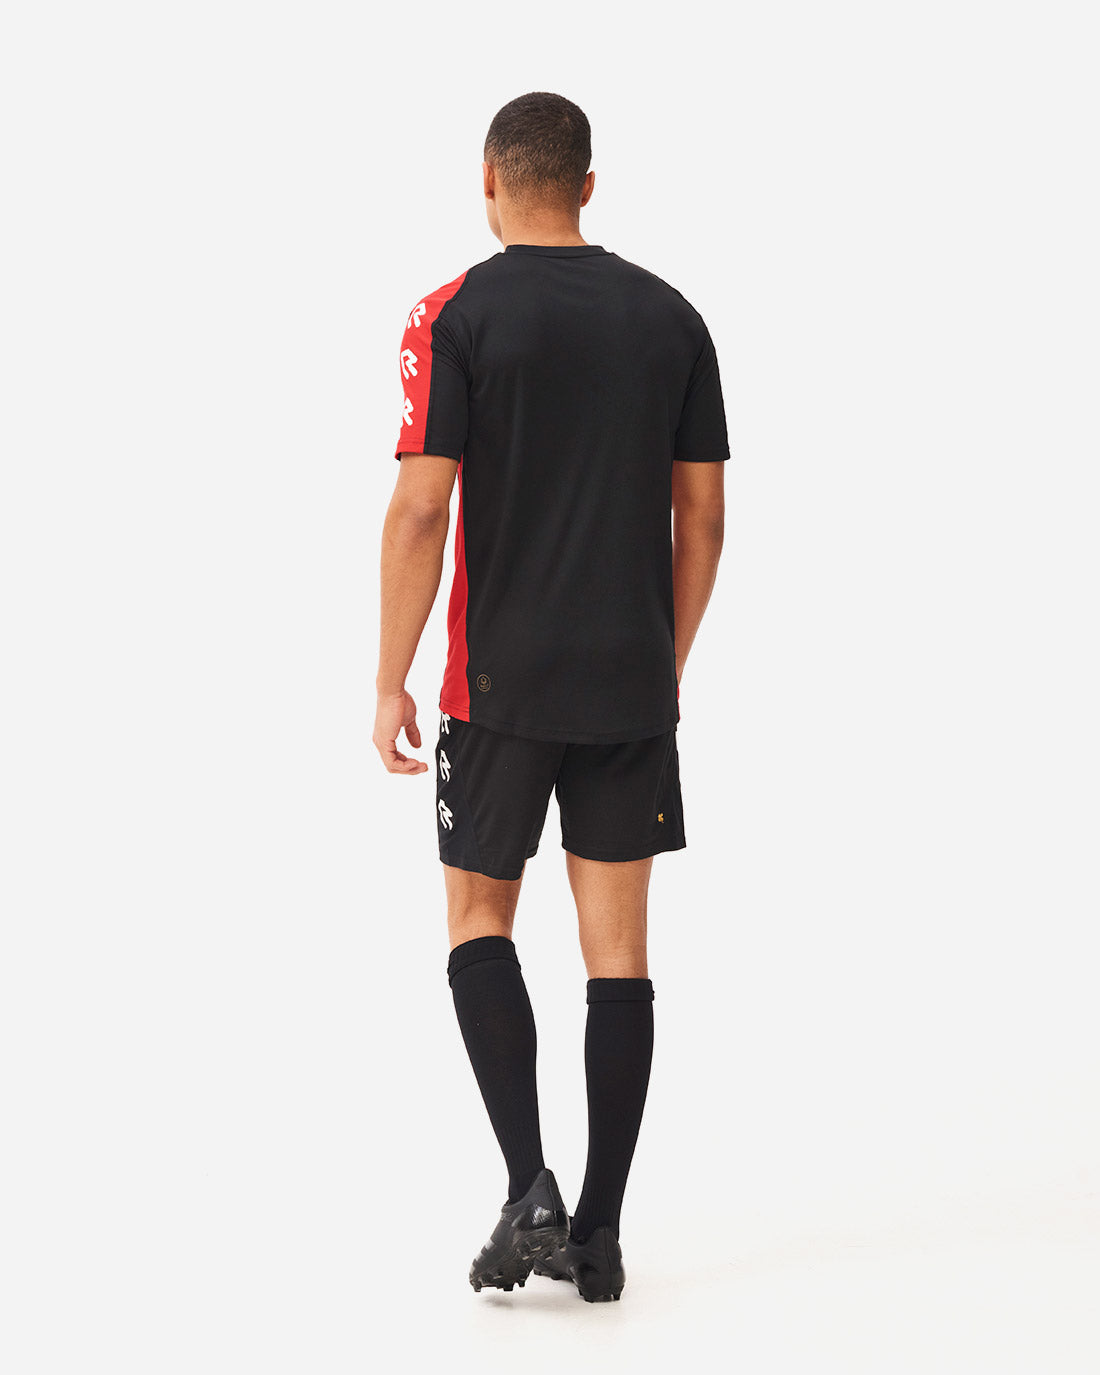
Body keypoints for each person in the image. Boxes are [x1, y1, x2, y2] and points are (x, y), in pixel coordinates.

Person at [374, 91, 728, 1303]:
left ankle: (528, 1183)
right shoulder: (672, 317)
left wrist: (388, 675)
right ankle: (600, 1233)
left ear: (489, 180)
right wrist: (662, 660)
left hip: (496, 682)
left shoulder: (453, 315)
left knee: (479, 920)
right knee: (616, 952)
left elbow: (421, 506)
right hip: (628, 680)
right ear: (586, 184)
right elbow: (702, 517)